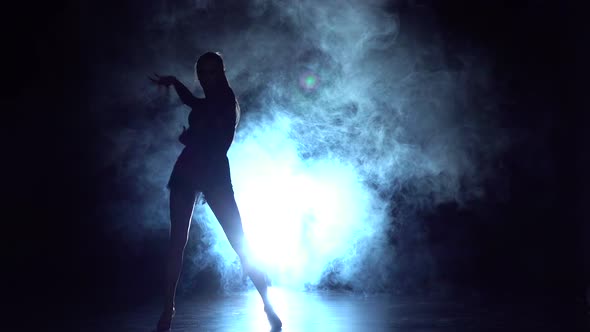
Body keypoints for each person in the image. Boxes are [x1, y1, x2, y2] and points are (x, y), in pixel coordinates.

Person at [149, 52, 282, 331]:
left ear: (221, 72)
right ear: (199, 75)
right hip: (188, 170)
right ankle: (168, 308)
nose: (207, 78)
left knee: (239, 240)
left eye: (213, 72)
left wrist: (189, 137)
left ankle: (268, 303)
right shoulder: (209, 100)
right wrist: (174, 82)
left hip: (214, 173)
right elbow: (193, 103)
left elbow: (214, 137)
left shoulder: (225, 100)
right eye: (203, 73)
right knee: (177, 243)